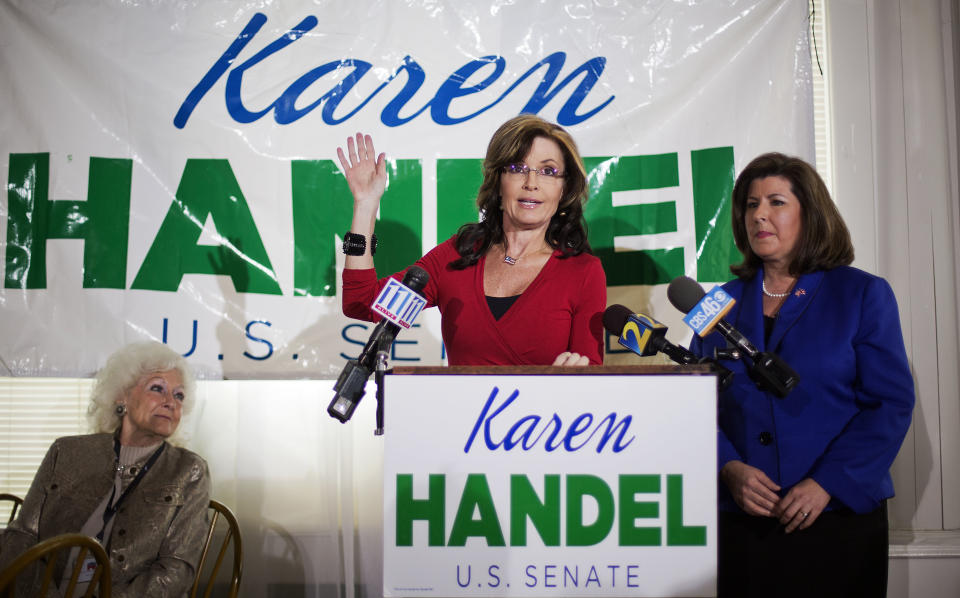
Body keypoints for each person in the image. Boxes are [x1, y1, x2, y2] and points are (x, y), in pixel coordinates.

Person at [690, 153, 914, 597]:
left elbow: (889, 404)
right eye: (751, 205)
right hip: (743, 521)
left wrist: (827, 483)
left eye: (776, 202)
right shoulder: (717, 302)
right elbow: (692, 405)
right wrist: (727, 467)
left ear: (810, 213)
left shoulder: (862, 294)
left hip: (835, 519)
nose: (759, 216)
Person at [339, 114, 606, 365]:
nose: (531, 182)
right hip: (459, 414)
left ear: (564, 188)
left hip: (543, 415)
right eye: (517, 168)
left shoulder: (583, 272)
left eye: (548, 171)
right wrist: (365, 205)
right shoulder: (458, 257)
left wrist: (574, 378)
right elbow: (362, 302)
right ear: (498, 182)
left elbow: (590, 375)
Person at [0, 341, 211, 597]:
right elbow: (22, 535)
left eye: (179, 395)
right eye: (158, 388)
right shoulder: (66, 452)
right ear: (122, 396)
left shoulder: (188, 470)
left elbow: (176, 570)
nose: (171, 402)